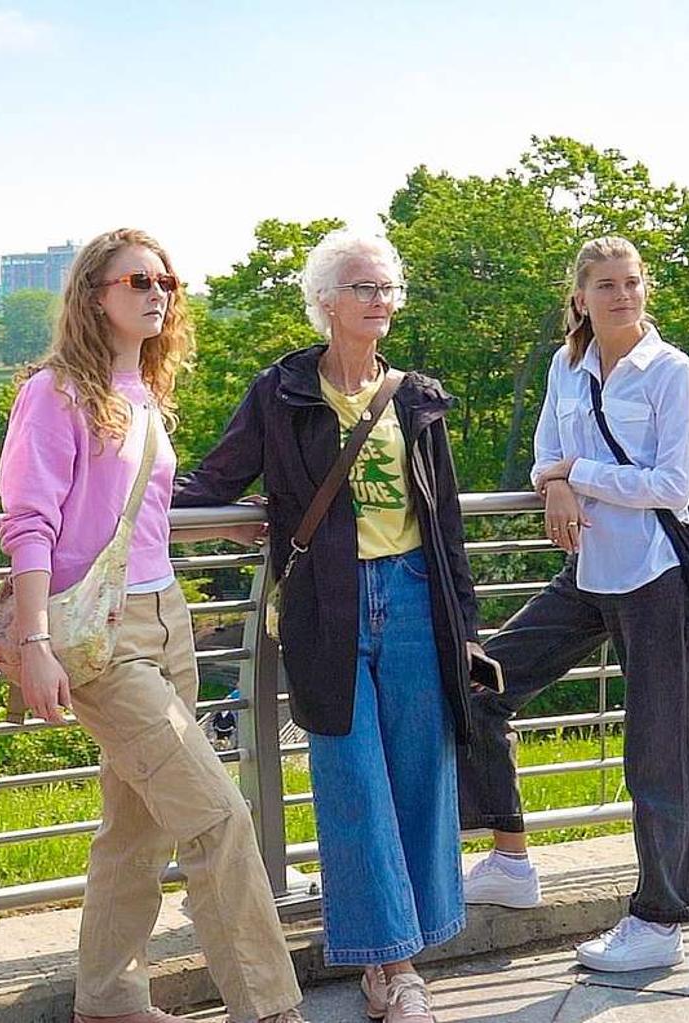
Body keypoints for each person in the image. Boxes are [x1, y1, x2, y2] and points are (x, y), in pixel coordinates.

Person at [0, 228, 304, 1023]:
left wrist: (217, 529)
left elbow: (131, 520)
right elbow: (30, 524)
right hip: (102, 636)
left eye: (165, 279)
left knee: (137, 827)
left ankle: (106, 999)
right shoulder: (55, 391)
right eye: (136, 279)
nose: (156, 292)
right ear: (92, 295)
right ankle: (270, 1010)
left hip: (168, 617)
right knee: (217, 816)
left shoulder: (141, 391)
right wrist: (33, 642)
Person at [176, 229, 480, 1023]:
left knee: (420, 774)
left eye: (387, 288)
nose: (380, 301)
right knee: (353, 783)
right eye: (363, 288)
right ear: (324, 303)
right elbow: (213, 477)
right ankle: (392, 970)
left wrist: (469, 629)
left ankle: (402, 956)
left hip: (416, 596)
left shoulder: (416, 396)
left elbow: (444, 524)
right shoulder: (282, 392)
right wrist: (126, 498)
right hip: (326, 605)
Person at [456, 236, 689, 972]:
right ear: (580, 297)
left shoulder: (670, 370)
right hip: (587, 572)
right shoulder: (568, 367)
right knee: (479, 685)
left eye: (631, 282)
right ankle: (509, 860)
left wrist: (578, 470)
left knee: (659, 753)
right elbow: (542, 456)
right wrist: (557, 482)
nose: (621, 294)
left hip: (655, 576)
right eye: (605, 284)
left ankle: (660, 919)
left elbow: (671, 486)